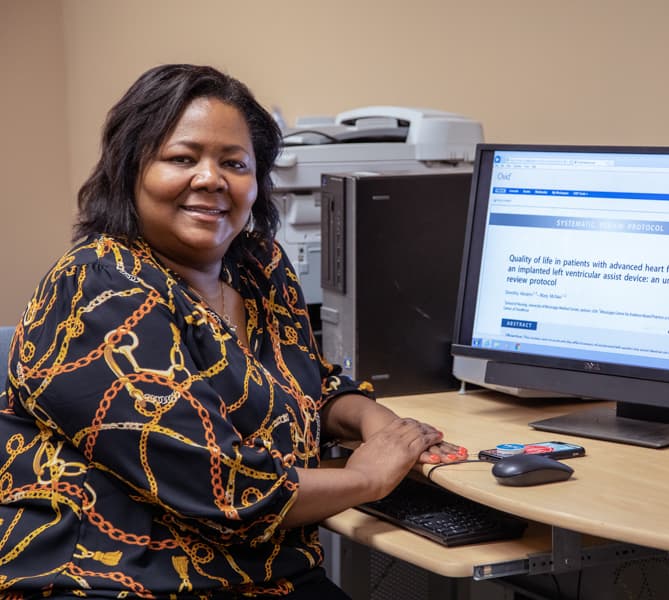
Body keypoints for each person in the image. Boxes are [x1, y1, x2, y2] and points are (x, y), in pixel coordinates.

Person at [0, 64, 467, 599]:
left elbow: (305, 382)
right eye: (182, 158)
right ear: (130, 170)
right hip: (114, 579)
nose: (210, 178)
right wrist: (368, 479)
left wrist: (375, 420)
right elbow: (218, 489)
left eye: (234, 163)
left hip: (263, 574)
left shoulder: (256, 267)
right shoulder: (99, 288)